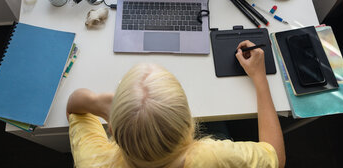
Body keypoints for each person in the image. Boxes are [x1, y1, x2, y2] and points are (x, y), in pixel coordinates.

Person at [66, 40, 286, 168]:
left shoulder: (93, 162)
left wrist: (101, 103)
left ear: (112, 130)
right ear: (190, 125)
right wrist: (259, 78)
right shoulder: (212, 156)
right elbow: (276, 156)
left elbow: (75, 106)